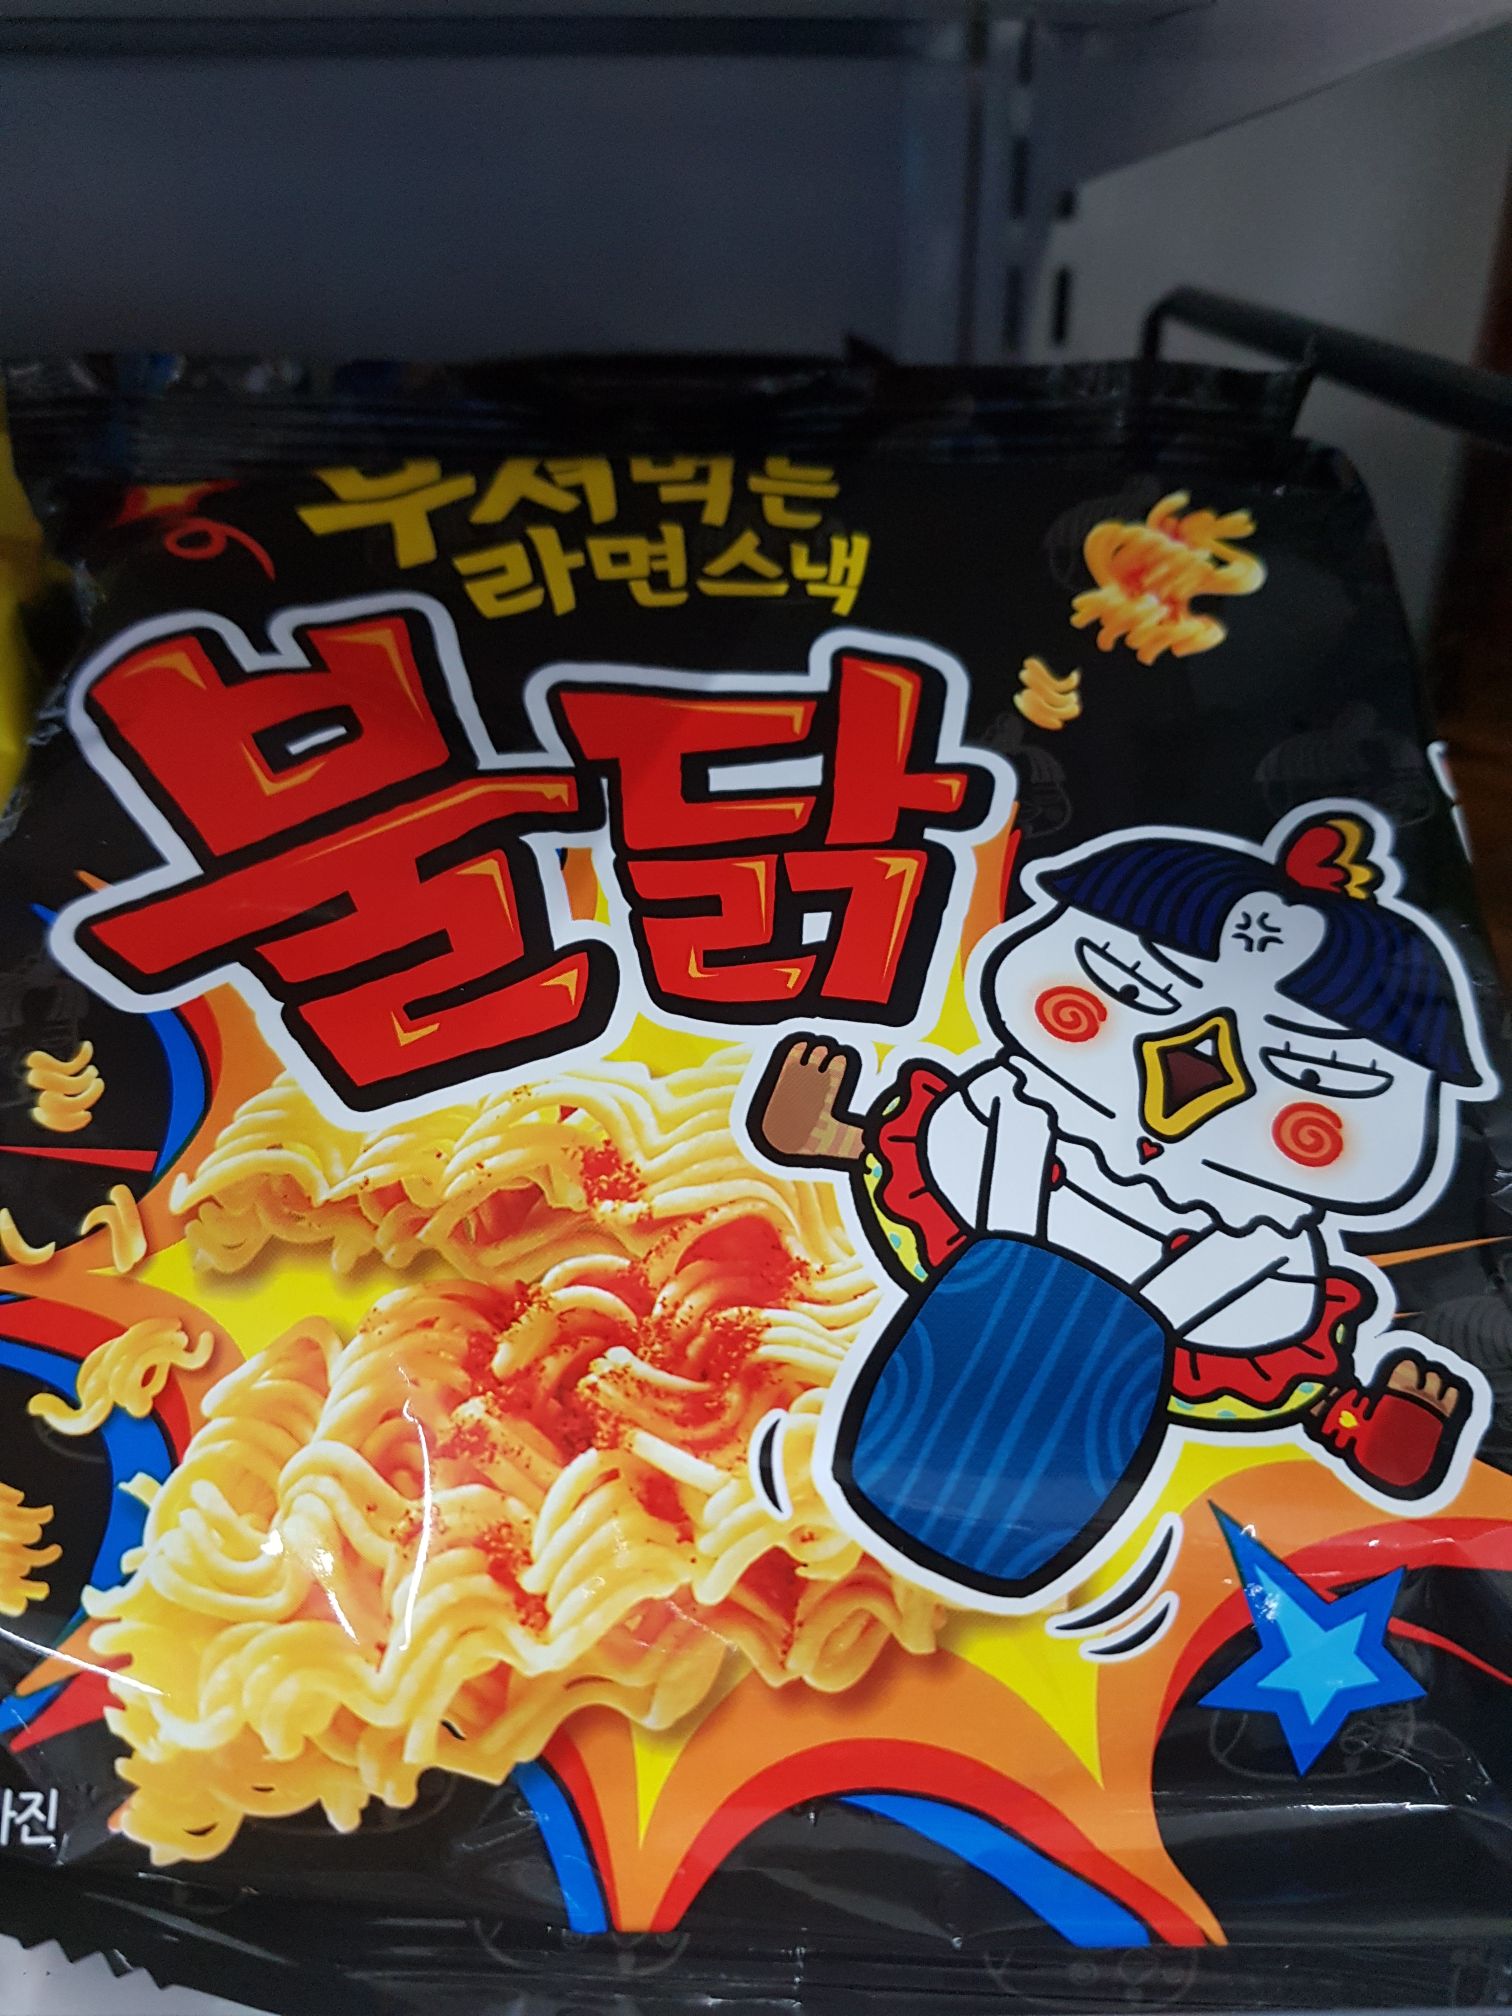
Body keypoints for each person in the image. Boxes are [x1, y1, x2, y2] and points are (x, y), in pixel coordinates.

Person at [749, 805, 1496, 1610]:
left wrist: (1358, 1423)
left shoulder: (1259, 1236)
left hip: (1098, 1428)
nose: (1194, 1075)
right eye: (1132, 987)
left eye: (1310, 1071)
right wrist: (830, 1135)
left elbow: (1270, 1368)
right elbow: (922, 1183)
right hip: (935, 1367)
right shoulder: (1022, 1114)